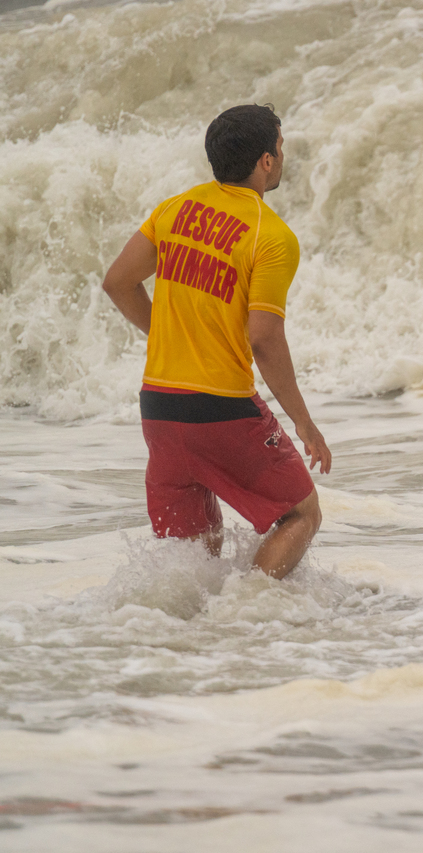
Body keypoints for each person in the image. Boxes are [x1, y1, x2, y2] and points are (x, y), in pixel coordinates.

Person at [102, 104, 331, 579]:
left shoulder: (175, 208)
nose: (283, 155)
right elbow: (264, 337)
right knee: (301, 513)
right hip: (221, 409)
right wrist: (305, 424)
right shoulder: (271, 236)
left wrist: (170, 335)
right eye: (281, 147)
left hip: (160, 409)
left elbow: (118, 282)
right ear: (266, 161)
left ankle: (199, 645)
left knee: (193, 562)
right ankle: (244, 616)